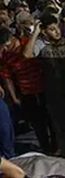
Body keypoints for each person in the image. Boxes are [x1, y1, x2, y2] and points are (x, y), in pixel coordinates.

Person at [33, 15, 65, 158]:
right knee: (60, 129)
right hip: (54, 95)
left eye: (57, 28)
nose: (57, 31)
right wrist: (35, 33)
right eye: (52, 29)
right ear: (45, 32)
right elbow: (28, 54)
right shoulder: (43, 48)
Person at [2, 16, 51, 153]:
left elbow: (27, 54)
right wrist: (14, 97)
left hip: (43, 88)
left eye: (6, 44)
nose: (5, 48)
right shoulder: (6, 56)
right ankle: (46, 148)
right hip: (27, 91)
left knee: (51, 120)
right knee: (38, 123)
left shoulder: (28, 43)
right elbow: (7, 77)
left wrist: (34, 34)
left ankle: (56, 146)